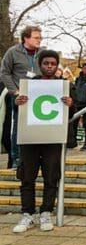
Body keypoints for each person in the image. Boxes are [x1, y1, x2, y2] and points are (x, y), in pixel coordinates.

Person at [12, 50, 73, 233]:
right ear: (40, 64)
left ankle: (46, 212)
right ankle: (27, 214)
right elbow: (18, 112)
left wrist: (70, 104)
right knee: (27, 177)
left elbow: (76, 108)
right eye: (46, 63)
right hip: (30, 137)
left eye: (53, 64)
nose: (49, 67)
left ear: (57, 66)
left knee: (51, 177)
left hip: (53, 138)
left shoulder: (64, 85)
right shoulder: (29, 85)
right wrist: (18, 103)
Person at [0, 25, 43, 168]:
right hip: (20, 97)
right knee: (18, 127)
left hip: (39, 97)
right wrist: (15, 91)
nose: (39, 40)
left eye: (40, 37)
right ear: (26, 38)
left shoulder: (42, 53)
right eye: (36, 37)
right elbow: (4, 73)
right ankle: (16, 159)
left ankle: (36, 158)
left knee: (37, 128)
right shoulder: (13, 52)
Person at [73, 63, 86, 150]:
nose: (85, 70)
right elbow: (75, 89)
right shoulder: (78, 79)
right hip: (77, 103)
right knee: (74, 123)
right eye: (84, 68)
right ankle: (73, 141)